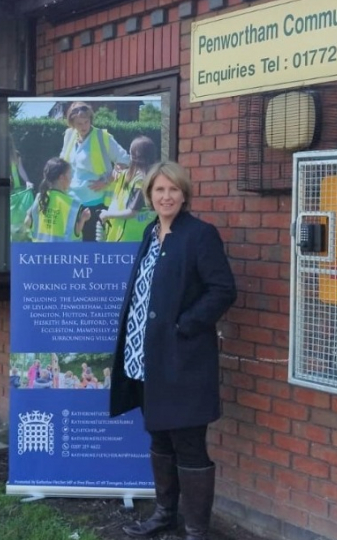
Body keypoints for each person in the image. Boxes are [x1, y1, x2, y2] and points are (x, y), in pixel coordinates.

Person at [109, 161, 237, 540]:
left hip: (183, 360)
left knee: (189, 444)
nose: (166, 197)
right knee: (160, 437)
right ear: (149, 195)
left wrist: (186, 324)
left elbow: (223, 290)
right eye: (159, 190)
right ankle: (165, 514)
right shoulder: (150, 232)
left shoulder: (200, 235)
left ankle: (196, 530)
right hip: (145, 359)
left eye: (173, 190)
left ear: (184, 195)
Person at [60, 101, 130, 241]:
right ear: (72, 123)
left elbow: (125, 161)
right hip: (72, 202)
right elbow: (62, 163)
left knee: (91, 246)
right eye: (79, 123)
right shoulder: (69, 135)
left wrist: (106, 181)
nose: (84, 126)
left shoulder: (102, 137)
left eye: (86, 122)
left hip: (95, 203)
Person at [99, 136, 157, 242]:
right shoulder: (134, 176)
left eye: (130, 152)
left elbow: (132, 212)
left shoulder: (141, 181)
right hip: (121, 235)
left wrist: (107, 215)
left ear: (135, 156)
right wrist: (116, 171)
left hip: (132, 238)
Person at [25, 158, 91, 242]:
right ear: (62, 178)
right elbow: (75, 232)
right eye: (70, 174)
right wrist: (83, 219)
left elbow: (27, 222)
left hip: (39, 252)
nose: (71, 178)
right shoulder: (72, 204)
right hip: (62, 253)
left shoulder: (40, 198)